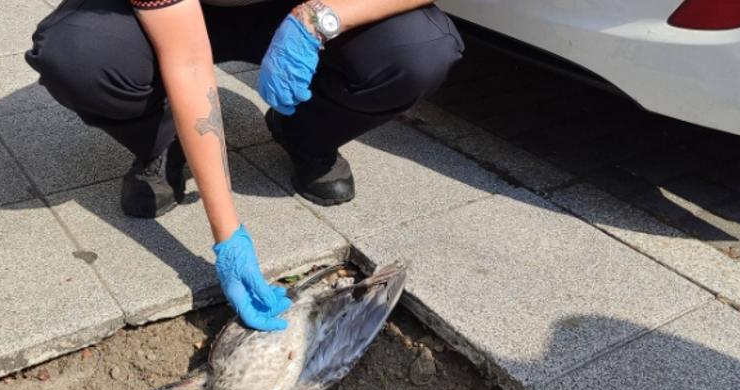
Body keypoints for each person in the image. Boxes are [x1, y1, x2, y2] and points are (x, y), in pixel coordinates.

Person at [25, 0, 464, 331]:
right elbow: (188, 60)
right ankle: (162, 138)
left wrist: (319, 19)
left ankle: (306, 132)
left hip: (298, 7)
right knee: (77, 54)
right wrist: (228, 238)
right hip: (167, 16)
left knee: (419, 50)